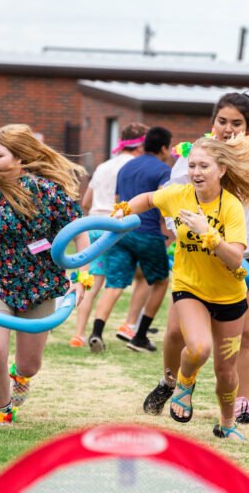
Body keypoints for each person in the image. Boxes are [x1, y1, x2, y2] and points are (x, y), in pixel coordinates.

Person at [142, 93, 249, 426]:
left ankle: (242, 405)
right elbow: (170, 202)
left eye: (237, 123)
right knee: (175, 333)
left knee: (245, 334)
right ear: (213, 121)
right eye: (222, 121)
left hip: (246, 259)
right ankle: (171, 382)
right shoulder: (195, 155)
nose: (227, 129)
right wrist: (182, 227)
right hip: (196, 258)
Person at [118, 133, 249, 441]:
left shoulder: (232, 207)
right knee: (198, 347)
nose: (197, 172)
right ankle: (183, 385)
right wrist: (124, 211)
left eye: (204, 166)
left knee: (226, 372)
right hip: (190, 287)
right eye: (193, 165)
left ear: (222, 170)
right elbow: (148, 199)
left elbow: (236, 257)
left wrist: (208, 233)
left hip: (230, 294)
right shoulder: (179, 194)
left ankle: (227, 425)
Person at [0, 124, 89, 426]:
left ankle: (21, 377)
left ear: (20, 157)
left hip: (42, 284)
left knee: (30, 364)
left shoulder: (49, 191)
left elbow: (80, 234)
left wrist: (81, 278)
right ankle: (3, 409)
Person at [88, 126, 173, 353]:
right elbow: (164, 203)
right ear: (164, 148)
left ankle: (96, 332)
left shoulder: (126, 167)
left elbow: (118, 200)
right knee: (161, 281)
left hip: (121, 231)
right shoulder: (164, 170)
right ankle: (141, 335)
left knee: (114, 284)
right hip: (147, 233)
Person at [71, 122, 149, 352]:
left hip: (92, 225)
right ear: (141, 145)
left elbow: (86, 202)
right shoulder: (136, 167)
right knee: (129, 280)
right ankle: (126, 326)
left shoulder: (104, 166)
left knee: (91, 283)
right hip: (115, 228)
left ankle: (78, 334)